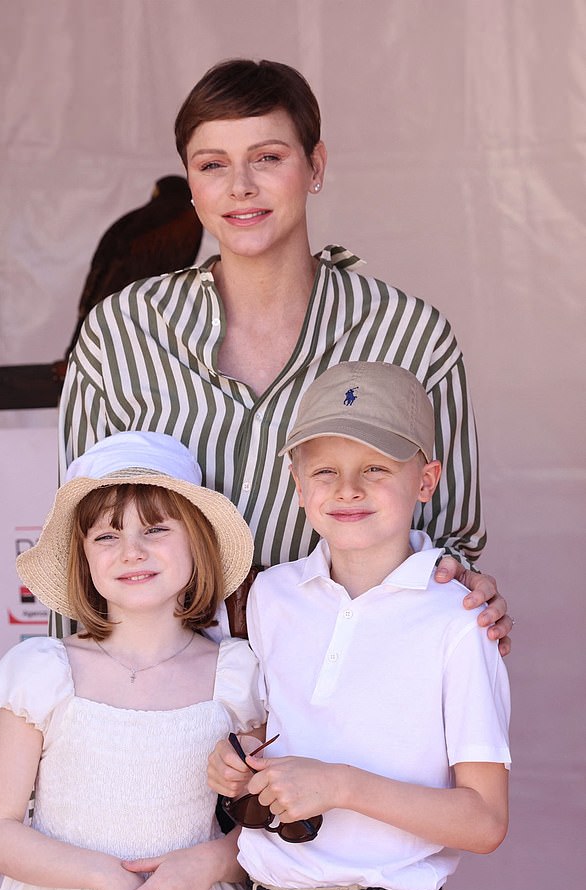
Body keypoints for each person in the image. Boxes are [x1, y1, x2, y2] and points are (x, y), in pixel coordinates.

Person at [57, 59, 512, 641]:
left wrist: (468, 590)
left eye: (268, 157)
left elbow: (450, 545)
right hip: (165, 700)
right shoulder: (120, 334)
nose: (240, 185)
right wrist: (63, 704)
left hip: (346, 685)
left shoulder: (411, 336)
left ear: (315, 166)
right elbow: (78, 557)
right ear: (190, 185)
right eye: (212, 165)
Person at [208, 360, 511, 890]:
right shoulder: (270, 596)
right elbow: (266, 726)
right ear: (298, 486)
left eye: (375, 468)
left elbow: (485, 822)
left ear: (426, 481)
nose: (347, 489)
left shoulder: (463, 620)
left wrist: (342, 787)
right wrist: (235, 759)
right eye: (324, 472)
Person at [0, 431, 264, 890]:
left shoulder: (235, 676)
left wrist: (209, 862)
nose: (132, 551)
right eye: (107, 535)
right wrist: (102, 874)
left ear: (197, 542)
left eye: (155, 530)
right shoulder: (45, 673)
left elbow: (265, 823)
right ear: (84, 559)